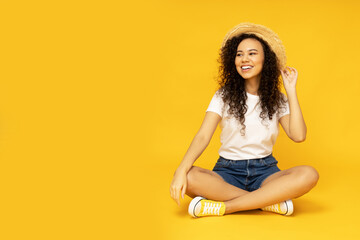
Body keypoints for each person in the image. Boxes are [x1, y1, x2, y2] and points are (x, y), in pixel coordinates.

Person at [169, 22, 319, 218]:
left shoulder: (278, 98)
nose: (244, 59)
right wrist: (180, 170)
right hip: (227, 171)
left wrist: (290, 90)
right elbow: (203, 136)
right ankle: (266, 202)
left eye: (252, 53)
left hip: (266, 172)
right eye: (239, 54)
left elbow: (298, 136)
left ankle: (226, 207)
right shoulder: (223, 95)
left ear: (267, 59)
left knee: (309, 174)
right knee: (189, 177)